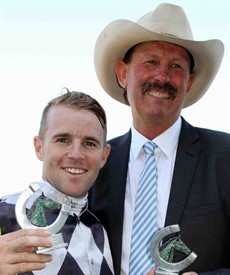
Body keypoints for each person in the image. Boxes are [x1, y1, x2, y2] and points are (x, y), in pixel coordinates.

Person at [89, 3, 230, 275]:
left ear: (188, 83)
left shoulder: (224, 157)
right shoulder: (97, 164)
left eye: (175, 66)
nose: (162, 76)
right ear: (122, 74)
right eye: (151, 61)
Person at [0, 90, 114, 275]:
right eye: (63, 140)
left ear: (104, 156)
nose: (76, 154)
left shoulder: (100, 229)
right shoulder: (4, 211)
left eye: (90, 143)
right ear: (39, 147)